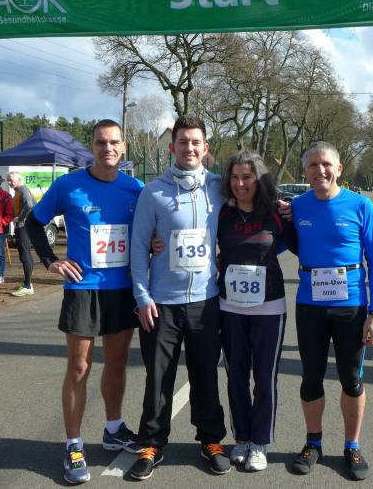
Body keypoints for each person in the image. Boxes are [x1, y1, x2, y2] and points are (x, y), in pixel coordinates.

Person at [27, 119, 144, 485]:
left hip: (121, 289)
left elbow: (149, 231)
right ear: (91, 147)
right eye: (100, 142)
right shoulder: (68, 185)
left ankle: (113, 429)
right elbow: (32, 223)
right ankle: (74, 444)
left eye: (113, 142)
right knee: (79, 367)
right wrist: (51, 261)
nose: (107, 148)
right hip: (83, 289)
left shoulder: (135, 188)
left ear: (123, 147)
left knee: (117, 362)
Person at [129, 116, 230, 480]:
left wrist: (284, 207)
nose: (189, 148)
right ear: (172, 147)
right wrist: (142, 296)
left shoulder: (219, 187)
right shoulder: (152, 192)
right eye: (183, 142)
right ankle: (151, 444)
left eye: (195, 142)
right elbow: (139, 246)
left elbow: (254, 195)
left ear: (206, 149)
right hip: (161, 303)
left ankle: (211, 440)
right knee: (158, 378)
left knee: (205, 374)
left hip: (206, 301)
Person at [288, 141, 373, 481]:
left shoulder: (361, 206)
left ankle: (352, 446)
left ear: (339, 169)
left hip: (351, 307)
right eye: (313, 165)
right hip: (310, 306)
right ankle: (313, 442)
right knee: (311, 378)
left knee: (351, 379)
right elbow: (271, 236)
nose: (320, 170)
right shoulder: (297, 207)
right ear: (305, 172)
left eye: (326, 164)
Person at [216, 151, 297, 472]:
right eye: (235, 177)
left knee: (264, 377)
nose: (240, 184)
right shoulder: (222, 213)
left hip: (269, 307)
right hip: (230, 307)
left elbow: (305, 245)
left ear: (259, 179)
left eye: (247, 177)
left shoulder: (277, 213)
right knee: (236, 375)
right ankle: (242, 438)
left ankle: (260, 443)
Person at [6, 171, 36, 297]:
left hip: (24, 226)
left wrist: (20, 218)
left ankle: (28, 286)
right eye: (8, 180)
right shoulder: (18, 191)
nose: (9, 182)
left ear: (19, 179)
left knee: (24, 255)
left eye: (11, 180)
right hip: (24, 226)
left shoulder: (23, 189)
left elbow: (29, 205)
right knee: (26, 254)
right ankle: (27, 283)